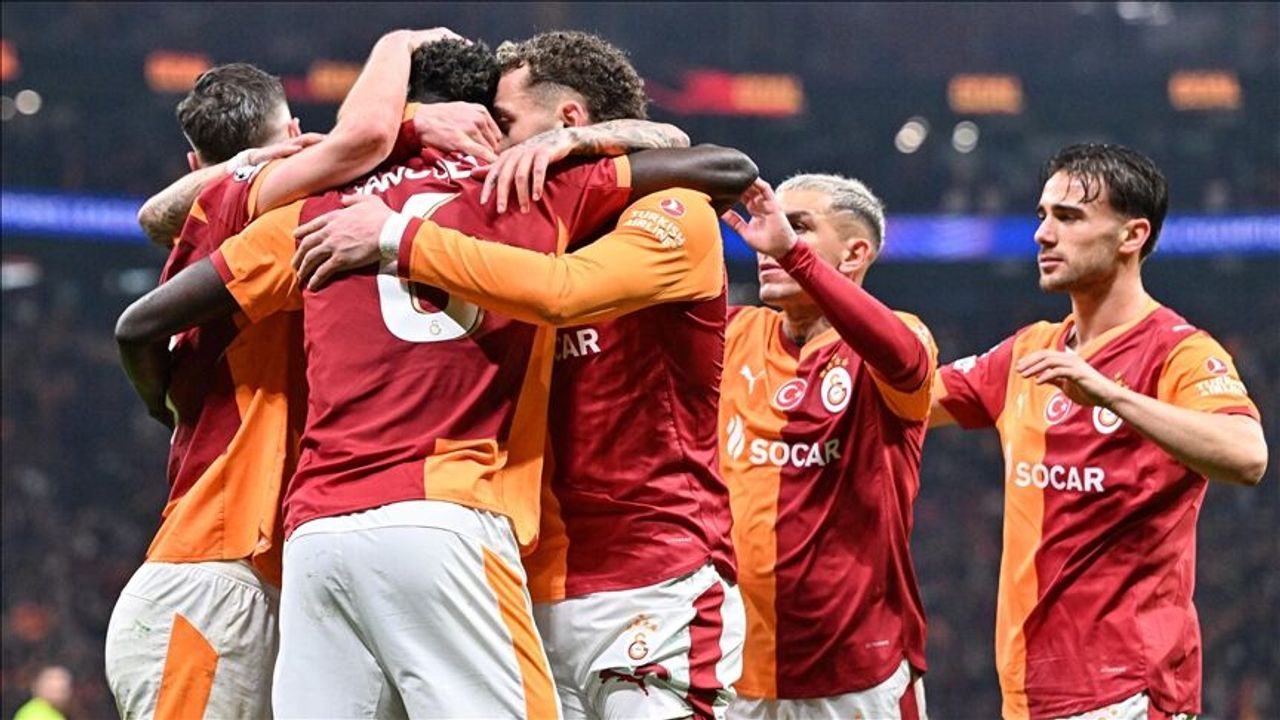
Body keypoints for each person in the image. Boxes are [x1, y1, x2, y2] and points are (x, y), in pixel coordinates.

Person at [115, 35, 755, 719]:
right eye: (497, 121)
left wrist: (172, 406)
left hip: (318, 535)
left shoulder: (318, 209)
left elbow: (150, 278)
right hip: (449, 518)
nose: (505, 139)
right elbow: (724, 169)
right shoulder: (526, 193)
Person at [105, 30, 481, 719]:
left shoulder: (229, 211)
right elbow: (363, 141)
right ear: (294, 138)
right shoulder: (254, 201)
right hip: (214, 575)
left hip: (264, 574)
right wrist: (406, 86)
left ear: (194, 163)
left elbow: (155, 216)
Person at [930, 143, 1268, 720]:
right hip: (1028, 693)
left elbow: (1247, 455)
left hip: (1127, 693)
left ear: (1132, 235)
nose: (1043, 234)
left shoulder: (1179, 351)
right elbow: (908, 399)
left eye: (1069, 218)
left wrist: (1111, 394)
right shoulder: (1031, 350)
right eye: (1043, 216)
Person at [712, 176, 934, 719]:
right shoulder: (735, 334)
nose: (767, 238)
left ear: (855, 254)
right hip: (736, 669)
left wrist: (793, 254)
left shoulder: (898, 341)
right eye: (768, 223)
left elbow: (903, 356)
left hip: (859, 672)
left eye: (798, 226)